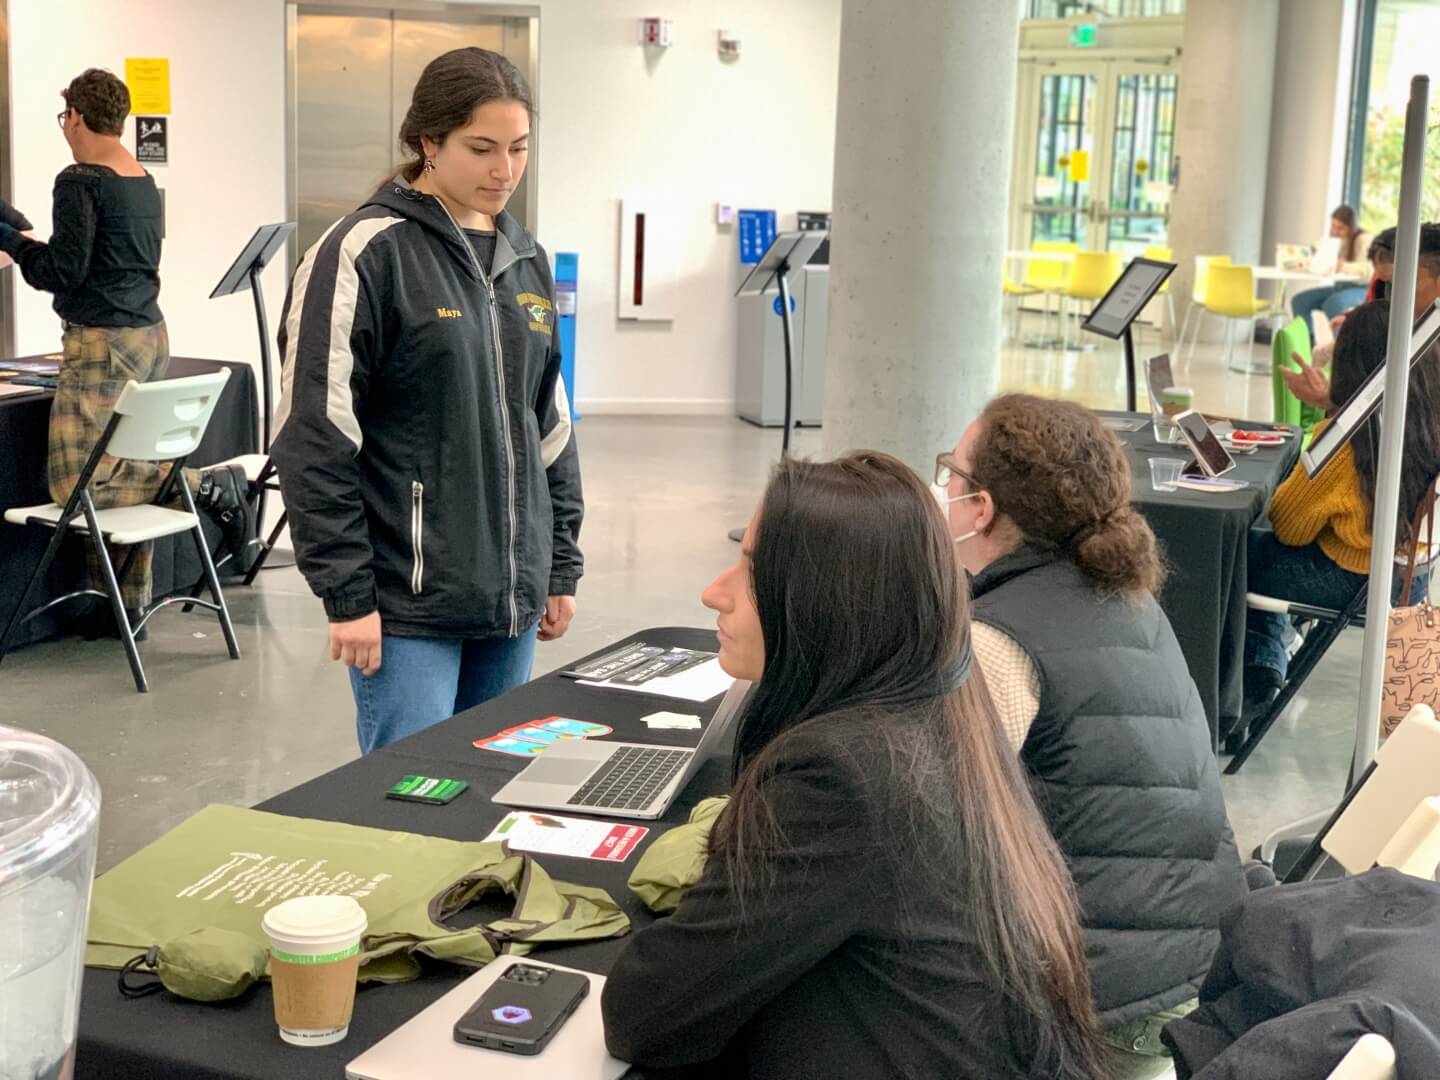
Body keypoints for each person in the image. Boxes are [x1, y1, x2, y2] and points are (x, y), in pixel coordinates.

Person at [602, 453, 1108, 1080]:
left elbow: (643, 1013)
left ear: (829, 601)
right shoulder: (945, 710)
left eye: (753, 570)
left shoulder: (842, 776)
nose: (715, 592)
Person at [272, 48, 582, 754]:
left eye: (518, 149)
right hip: (406, 603)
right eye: (481, 149)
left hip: (509, 597)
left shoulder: (526, 260)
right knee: (410, 803)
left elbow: (552, 429)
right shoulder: (362, 252)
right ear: (427, 142)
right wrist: (347, 595)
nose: (504, 170)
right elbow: (314, 434)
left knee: (492, 788)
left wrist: (558, 563)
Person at [937, 395, 1246, 1080]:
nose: (944, 492)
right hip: (1189, 966)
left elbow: (930, 823)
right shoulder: (1124, 595)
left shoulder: (1000, 641)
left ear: (981, 506)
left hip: (1101, 1012)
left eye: (950, 474)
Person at [0, 68, 251, 638]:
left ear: (78, 118)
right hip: (148, 335)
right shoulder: (138, 176)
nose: (65, 127)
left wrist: (12, 241)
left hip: (100, 344)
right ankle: (121, 605)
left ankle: (192, 501)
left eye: (65, 117)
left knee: (77, 484)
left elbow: (62, 270)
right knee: (127, 463)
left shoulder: (80, 179)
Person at [1244, 301, 1440, 719]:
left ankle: (1259, 670)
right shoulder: (1427, 427)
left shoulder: (1347, 440)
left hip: (1353, 581)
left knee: (1241, 555)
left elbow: (1289, 526)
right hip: (1411, 579)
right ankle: (1265, 660)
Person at [1283, 222, 1440, 412]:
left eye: (1407, 281)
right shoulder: (1417, 334)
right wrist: (1327, 397)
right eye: (1394, 282)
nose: (1397, 293)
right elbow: (1390, 415)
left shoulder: (1421, 338)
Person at [1289, 205, 1373, 340]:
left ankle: (1342, 346)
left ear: (1351, 228)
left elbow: (1368, 271)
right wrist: (1303, 259)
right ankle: (1307, 346)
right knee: (1299, 301)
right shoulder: (1334, 239)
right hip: (1340, 287)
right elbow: (1313, 253)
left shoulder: (1364, 239)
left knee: (1333, 303)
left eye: (1340, 228)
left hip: (1361, 288)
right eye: (1333, 226)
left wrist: (1342, 266)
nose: (1335, 231)